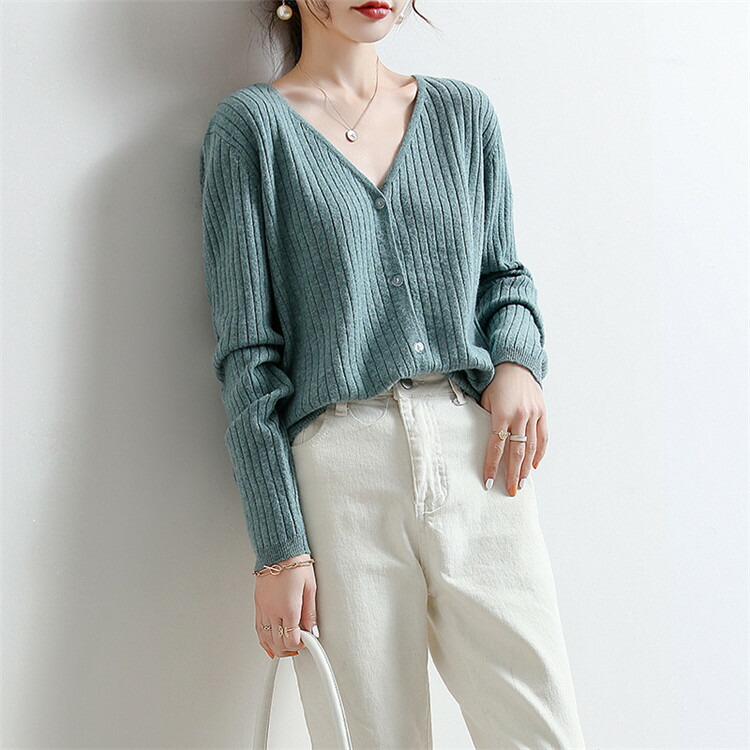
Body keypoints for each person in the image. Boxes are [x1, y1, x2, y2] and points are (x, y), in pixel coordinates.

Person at [199, 0, 586, 746]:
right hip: (341, 468)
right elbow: (248, 357)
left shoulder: (462, 115)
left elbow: (504, 278)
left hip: (478, 455)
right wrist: (280, 547)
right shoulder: (252, 131)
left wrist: (517, 361)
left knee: (541, 731)